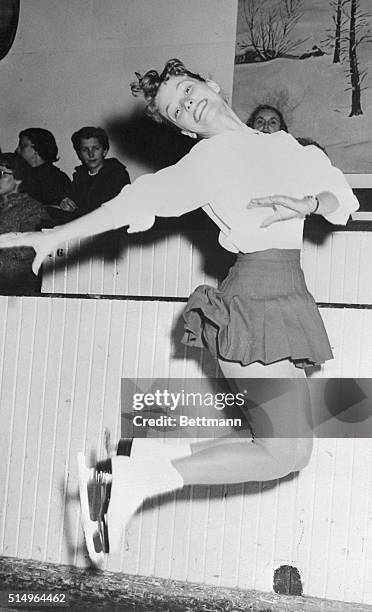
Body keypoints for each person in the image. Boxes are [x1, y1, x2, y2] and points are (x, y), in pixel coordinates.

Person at [0, 59, 359, 566]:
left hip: (286, 291)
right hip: (253, 297)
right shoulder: (206, 161)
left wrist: (308, 201)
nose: (188, 103)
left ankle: (130, 475)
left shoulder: (286, 146)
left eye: (188, 90)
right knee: (283, 453)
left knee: (286, 453)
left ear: (211, 85)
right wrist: (54, 235)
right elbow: (136, 200)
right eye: (176, 109)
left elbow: (342, 199)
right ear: (185, 128)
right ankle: (131, 476)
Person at [0, 153, 50, 294]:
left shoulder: (32, 209)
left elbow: (27, 249)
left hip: (16, 284)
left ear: (18, 179)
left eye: (2, 173)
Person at [16, 128, 74, 223]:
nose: (17, 150)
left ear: (37, 149)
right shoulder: (20, 175)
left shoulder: (57, 179)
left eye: (22, 146)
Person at [69, 126, 131, 216]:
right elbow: (71, 197)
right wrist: (66, 202)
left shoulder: (117, 175)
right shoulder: (79, 176)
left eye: (96, 148)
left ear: (105, 151)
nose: (91, 154)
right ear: (79, 154)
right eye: (85, 150)